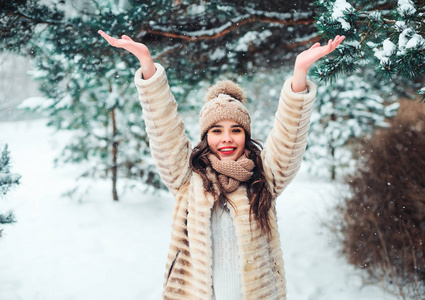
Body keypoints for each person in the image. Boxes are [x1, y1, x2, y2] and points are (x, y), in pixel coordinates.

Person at [99, 29, 344, 300]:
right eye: (216, 130)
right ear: (205, 137)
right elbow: (163, 126)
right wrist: (146, 62)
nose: (226, 138)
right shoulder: (187, 178)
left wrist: (300, 72)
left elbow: (289, 136)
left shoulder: (264, 179)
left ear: (246, 135)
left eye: (235, 130)